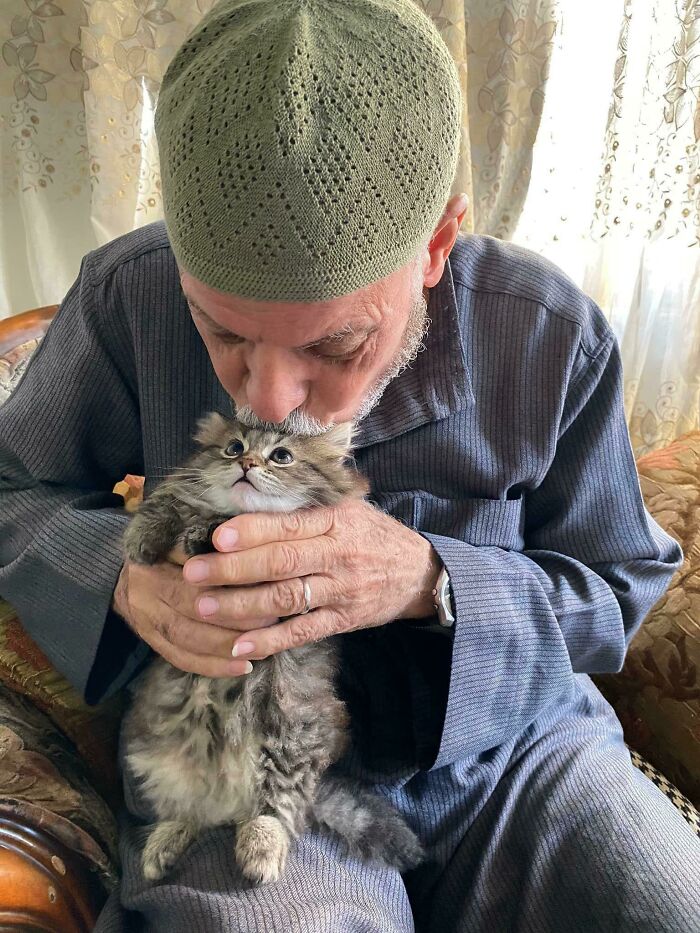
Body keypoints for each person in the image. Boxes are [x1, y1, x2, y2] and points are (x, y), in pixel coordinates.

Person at [1, 0, 698, 930]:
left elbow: (619, 585)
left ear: (437, 247)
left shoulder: (547, 331)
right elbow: (12, 487)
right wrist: (125, 581)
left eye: (336, 345)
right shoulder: (129, 295)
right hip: (238, 760)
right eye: (223, 332)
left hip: (522, 756)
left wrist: (434, 580)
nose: (274, 399)